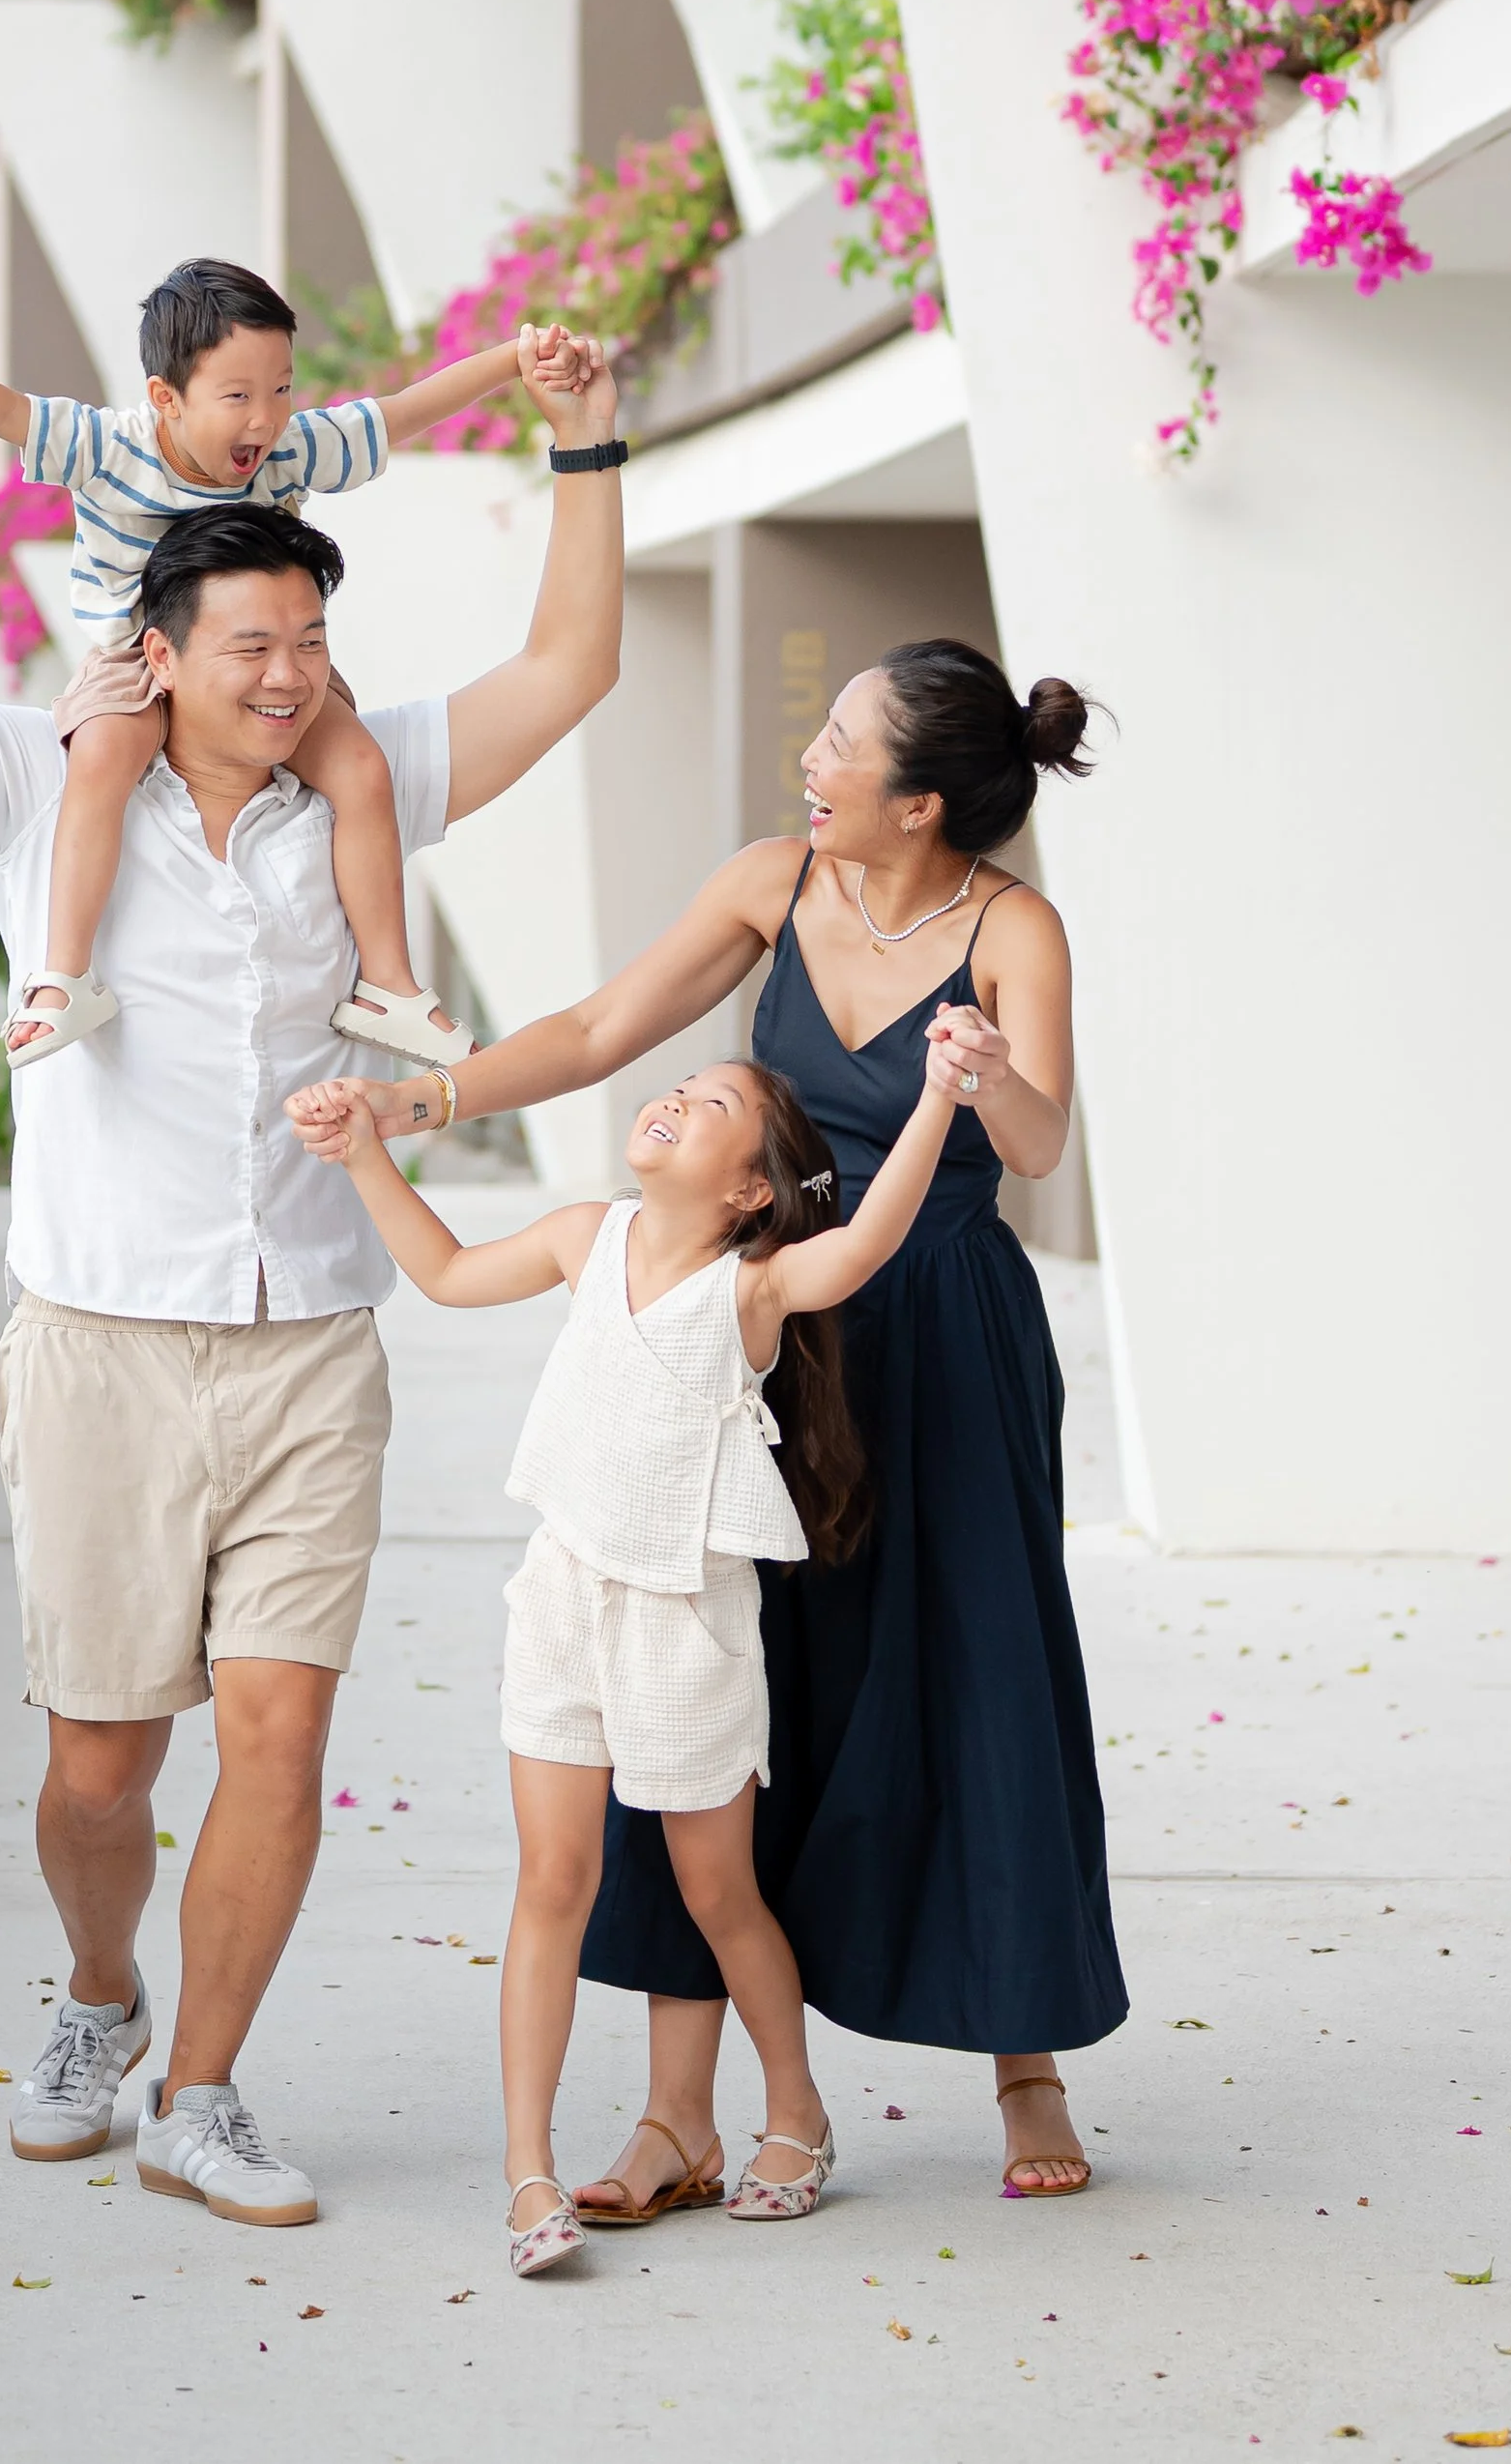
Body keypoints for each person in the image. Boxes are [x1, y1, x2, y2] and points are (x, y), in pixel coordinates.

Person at [0, 323, 627, 2230]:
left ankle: (201, 2086)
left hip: (310, 1345)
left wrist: (584, 444)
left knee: (278, 1727)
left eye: (308, 644)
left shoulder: (365, 779)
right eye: (249, 646)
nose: (286, 678)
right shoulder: (32, 782)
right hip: (98, 1345)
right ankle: (97, 1989)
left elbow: (569, 666)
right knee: (99, 1767)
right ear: (153, 653)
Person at [347, 639, 1127, 2208]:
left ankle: (1025, 2058)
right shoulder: (774, 882)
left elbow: (1040, 1142)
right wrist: (427, 1104)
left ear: (915, 802)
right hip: (764, 1338)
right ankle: (680, 2111)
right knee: (709, 1686)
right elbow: (591, 1029)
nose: (810, 761)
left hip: (947, 1334)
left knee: (978, 1669)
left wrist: (976, 1078)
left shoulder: (1013, 928)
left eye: (838, 744)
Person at [292, 1043, 972, 2276]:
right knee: (550, 1882)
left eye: (713, 1106)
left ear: (749, 1190)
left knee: (719, 1894)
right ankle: (527, 2174)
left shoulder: (753, 1289)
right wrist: (360, 1153)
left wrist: (939, 1093)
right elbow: (442, 1271)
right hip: (560, 1599)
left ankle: (795, 2111)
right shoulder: (580, 1237)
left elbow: (866, 1244)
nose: (672, 1099)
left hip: (684, 1621)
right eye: (680, 1085)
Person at [0, 260, 565, 1071]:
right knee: (103, 759)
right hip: (134, 663)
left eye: (282, 389)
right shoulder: (109, 447)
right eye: (239, 396)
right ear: (166, 399)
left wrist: (511, 361)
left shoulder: (288, 450)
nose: (267, 417)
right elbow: (5, 410)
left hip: (262, 674)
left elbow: (396, 415)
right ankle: (64, 975)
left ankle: (387, 984)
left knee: (359, 766)